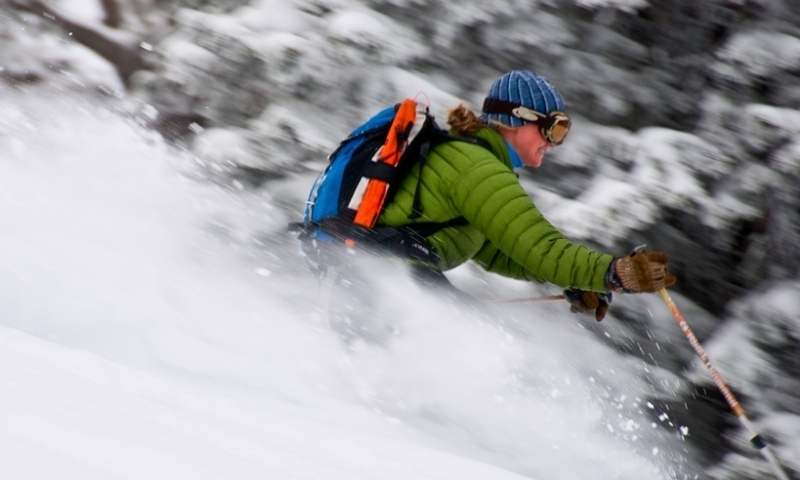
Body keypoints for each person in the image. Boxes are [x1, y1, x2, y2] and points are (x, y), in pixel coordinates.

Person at [322, 69, 675, 340]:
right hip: (375, 275)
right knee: (486, 343)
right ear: (517, 120)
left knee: (479, 338)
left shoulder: (471, 161)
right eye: (553, 129)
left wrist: (584, 280)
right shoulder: (476, 168)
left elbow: (503, 251)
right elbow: (537, 246)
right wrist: (614, 272)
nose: (554, 144)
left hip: (370, 273)